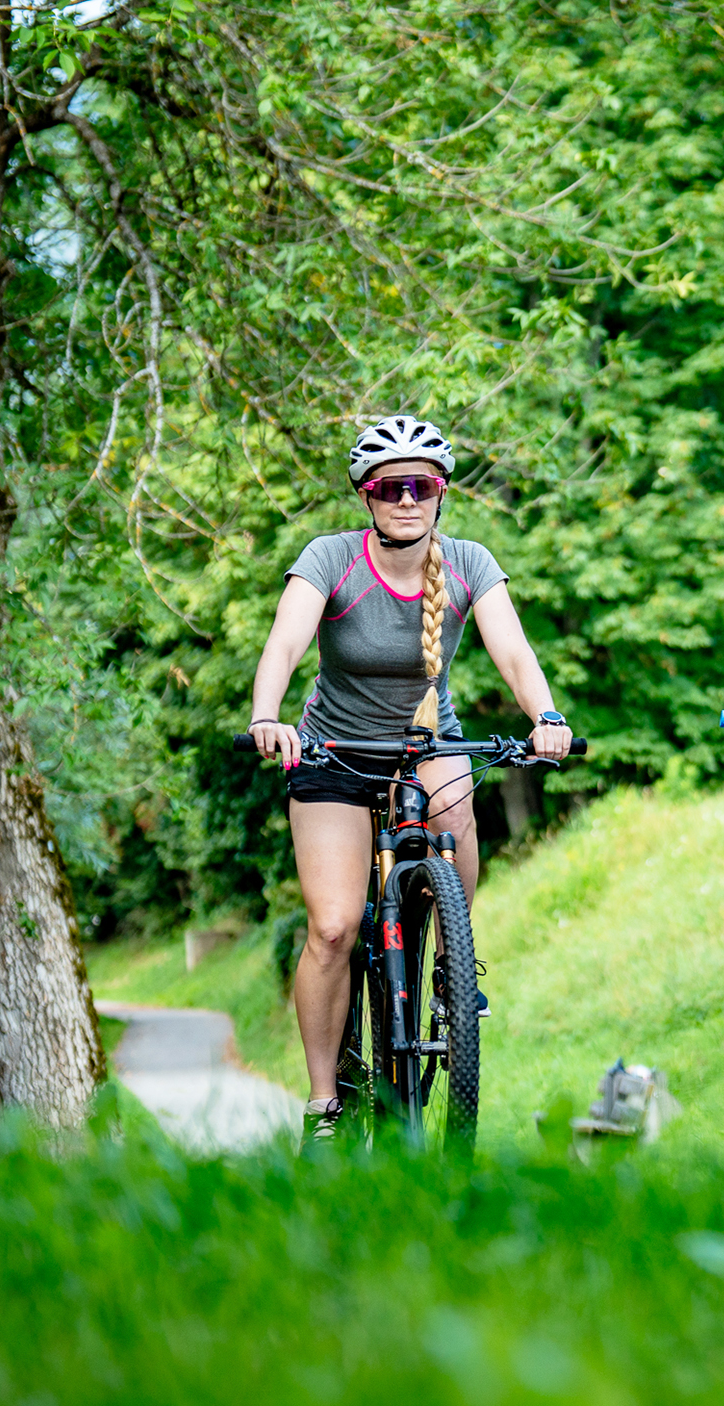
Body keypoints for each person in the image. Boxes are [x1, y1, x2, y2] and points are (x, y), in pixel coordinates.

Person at [246, 416, 574, 1144]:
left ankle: (450, 958)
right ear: (367, 497)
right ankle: (325, 1102)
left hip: (427, 739)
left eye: (419, 486)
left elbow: (513, 652)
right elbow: (287, 640)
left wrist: (546, 715)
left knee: (457, 820)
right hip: (333, 748)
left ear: (440, 494)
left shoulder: (467, 563)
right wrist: (269, 715)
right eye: (390, 487)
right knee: (332, 929)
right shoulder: (331, 559)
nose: (406, 499)